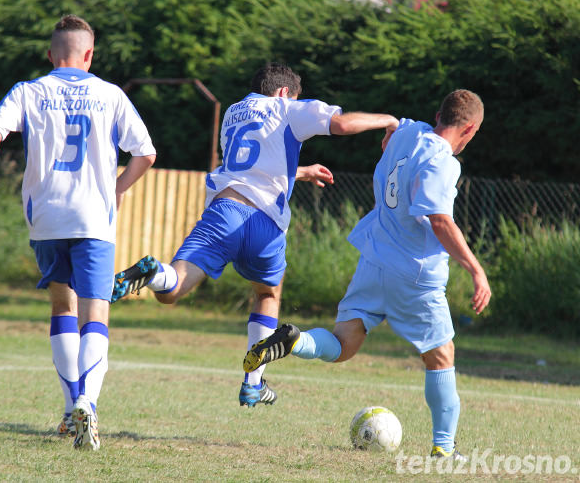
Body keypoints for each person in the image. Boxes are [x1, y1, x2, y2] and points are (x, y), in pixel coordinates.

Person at [112, 62, 398, 408]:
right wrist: (388, 120)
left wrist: (299, 171)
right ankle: (252, 383)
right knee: (267, 292)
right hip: (265, 222)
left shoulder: (234, 112)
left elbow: (254, 162)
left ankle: (153, 272)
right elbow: (341, 124)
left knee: (172, 289)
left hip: (224, 210)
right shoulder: (286, 107)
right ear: (283, 92)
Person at [243, 89, 491, 459]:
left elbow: (394, 124)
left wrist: (390, 126)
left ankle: (294, 341)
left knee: (343, 345)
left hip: (373, 260)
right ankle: (444, 446)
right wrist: (476, 269)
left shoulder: (408, 131)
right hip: (415, 275)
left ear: (438, 114)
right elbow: (440, 220)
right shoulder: (443, 161)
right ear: (469, 128)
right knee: (440, 356)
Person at [0, 15, 156, 451]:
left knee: (62, 307)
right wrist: (118, 190)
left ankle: (70, 409)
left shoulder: (29, 91)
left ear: (50, 55)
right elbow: (146, 152)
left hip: (46, 218)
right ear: (89, 55)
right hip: (93, 220)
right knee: (95, 315)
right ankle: (88, 402)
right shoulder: (110, 94)